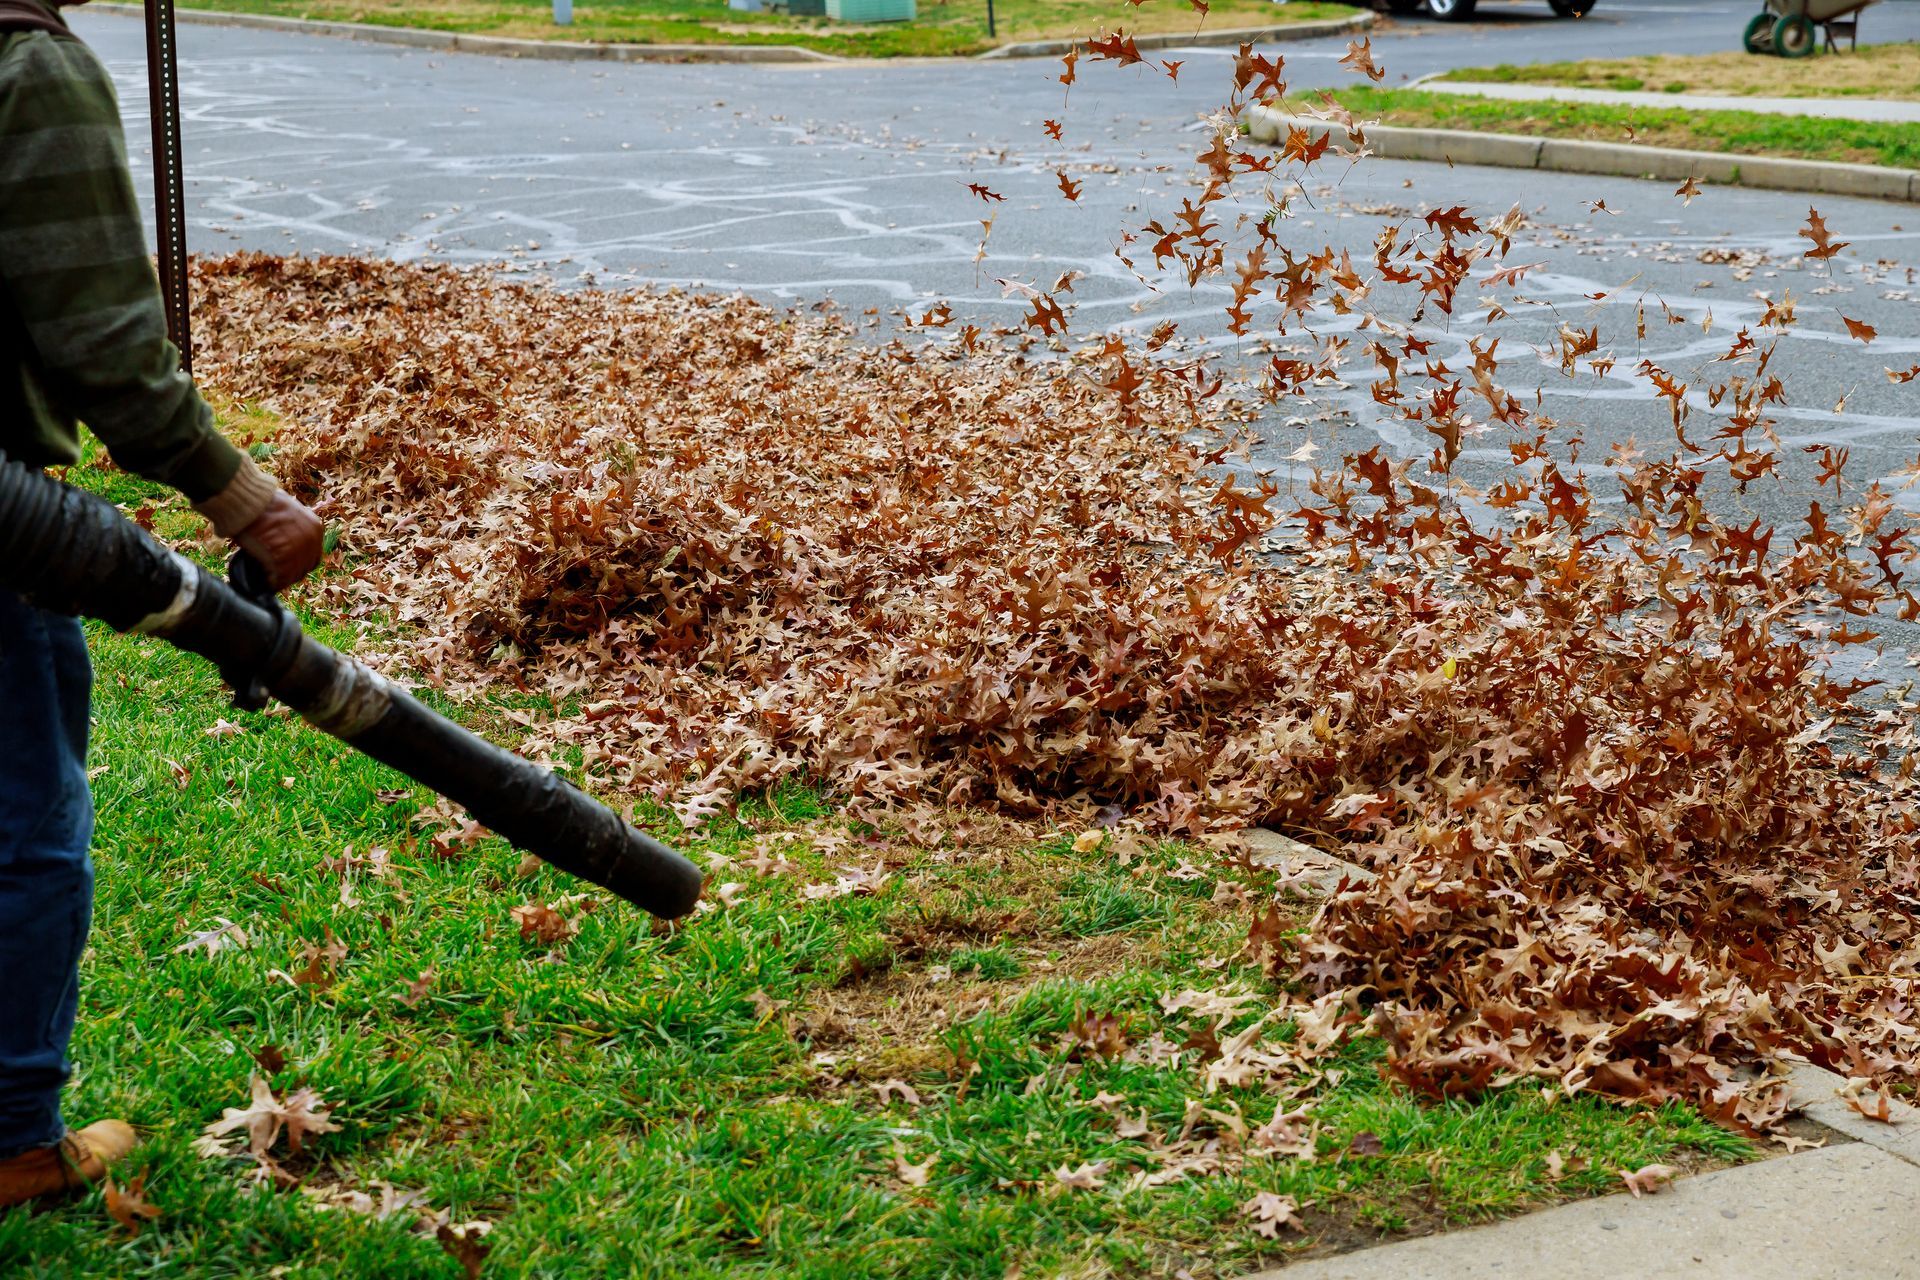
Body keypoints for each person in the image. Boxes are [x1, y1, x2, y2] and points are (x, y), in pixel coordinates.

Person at [0, 0, 323, 1206]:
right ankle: (16, 1138)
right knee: (24, 828)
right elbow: (100, 333)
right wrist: (246, 500)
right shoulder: (24, 61)